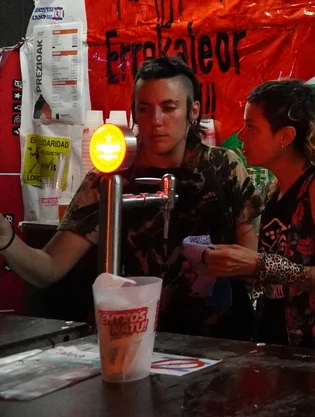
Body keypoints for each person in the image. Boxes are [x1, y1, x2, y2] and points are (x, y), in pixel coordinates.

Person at [0, 56, 262, 340]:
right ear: (133, 113)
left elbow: (251, 268)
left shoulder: (223, 168)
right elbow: (49, 268)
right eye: (144, 109)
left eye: (169, 108)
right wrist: (6, 239)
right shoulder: (111, 179)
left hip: (220, 342)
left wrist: (228, 264)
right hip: (135, 338)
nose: (156, 121)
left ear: (193, 110)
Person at [203, 79, 315, 353]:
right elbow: (276, 271)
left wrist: (259, 264)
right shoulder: (277, 189)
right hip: (283, 349)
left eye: (251, 126)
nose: (241, 136)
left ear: (285, 136)